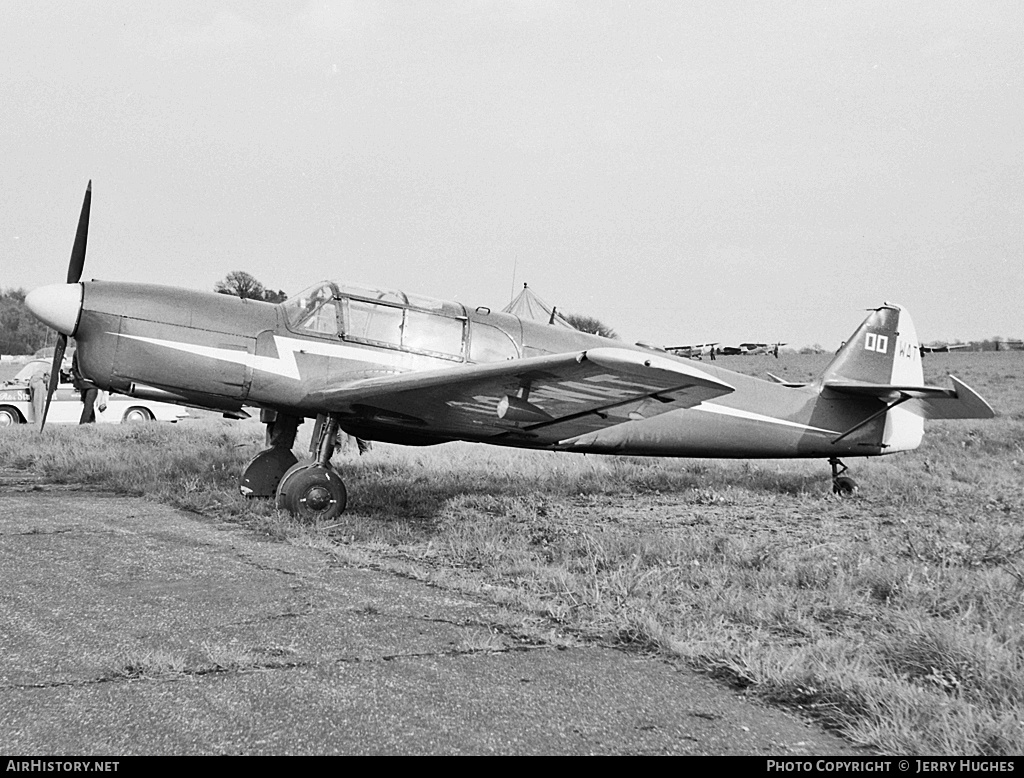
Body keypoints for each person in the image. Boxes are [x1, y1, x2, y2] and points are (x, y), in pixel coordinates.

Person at [27, 361, 50, 429]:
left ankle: (36, 421)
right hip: (40, 381)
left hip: (32, 381)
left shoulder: (38, 364)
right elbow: (49, 376)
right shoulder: (50, 365)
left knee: (35, 403)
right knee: (39, 405)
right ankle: (39, 423)